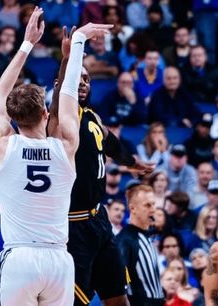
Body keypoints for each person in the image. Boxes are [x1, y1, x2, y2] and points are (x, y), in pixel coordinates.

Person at [0, 11, 110, 305]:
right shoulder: (65, 145)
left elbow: (0, 92)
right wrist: (78, 40)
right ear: (45, 114)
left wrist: (27, 44)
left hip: (20, 257)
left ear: (13, 118)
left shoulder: (4, 144)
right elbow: (68, 94)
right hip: (58, 258)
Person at [48, 25, 152, 306]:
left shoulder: (92, 116)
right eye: (77, 79)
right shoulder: (57, 120)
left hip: (99, 220)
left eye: (87, 79)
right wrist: (67, 61)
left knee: (118, 296)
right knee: (71, 300)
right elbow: (61, 92)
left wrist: (133, 163)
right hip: (73, 225)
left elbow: (111, 143)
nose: (82, 83)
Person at [115, 184, 164, 305]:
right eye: (147, 205)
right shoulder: (126, 240)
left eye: (153, 204)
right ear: (132, 208)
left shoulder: (146, 235)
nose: (153, 209)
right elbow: (119, 280)